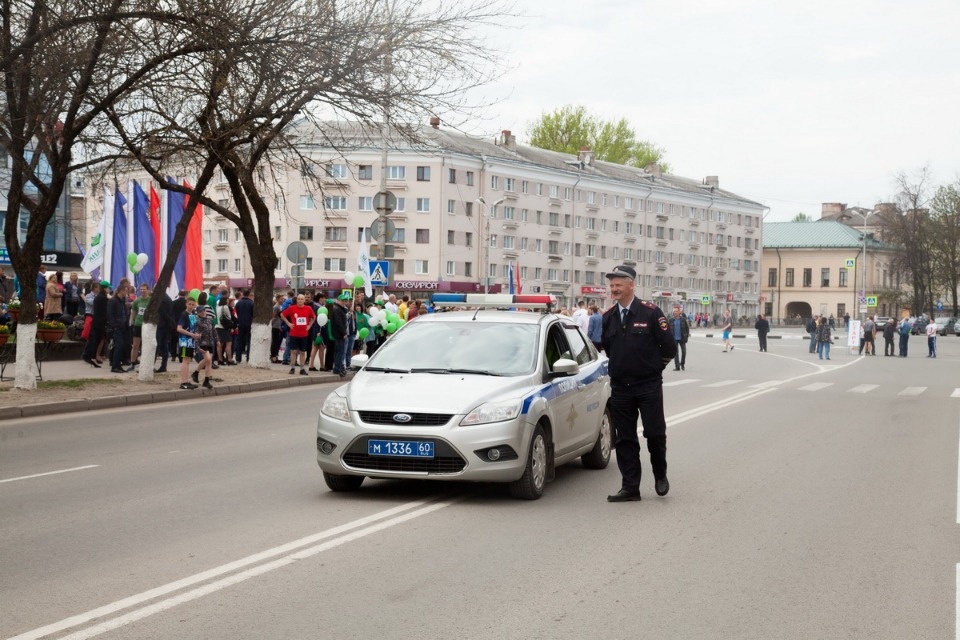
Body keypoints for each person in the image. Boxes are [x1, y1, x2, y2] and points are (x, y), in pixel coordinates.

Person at [600, 264, 676, 503]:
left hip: (648, 386)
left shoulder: (651, 313)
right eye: (611, 285)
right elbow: (610, 350)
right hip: (621, 388)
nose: (614, 289)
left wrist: (652, 369)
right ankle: (630, 487)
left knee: (654, 434)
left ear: (631, 284)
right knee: (625, 438)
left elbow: (669, 349)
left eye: (618, 285)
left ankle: (660, 475)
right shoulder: (608, 317)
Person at [281, 293, 316, 375]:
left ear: (304, 300)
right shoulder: (292, 308)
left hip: (304, 334)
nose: (300, 300)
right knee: (293, 351)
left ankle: (302, 369)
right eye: (299, 299)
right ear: (297, 300)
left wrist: (309, 326)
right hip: (294, 333)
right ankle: (292, 368)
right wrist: (288, 323)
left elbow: (313, 317)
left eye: (302, 299)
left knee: (303, 352)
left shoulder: (308, 308)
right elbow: (282, 315)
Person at [176, 297, 201, 389]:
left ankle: (186, 380)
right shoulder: (184, 314)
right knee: (185, 360)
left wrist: (196, 334)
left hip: (191, 341)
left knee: (188, 361)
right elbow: (179, 328)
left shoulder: (193, 315)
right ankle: (183, 382)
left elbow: (194, 327)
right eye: (189, 304)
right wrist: (191, 334)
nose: (190, 306)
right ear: (186, 304)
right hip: (184, 341)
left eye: (192, 304)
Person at [107, 282, 130, 373]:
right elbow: (110, 314)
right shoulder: (113, 301)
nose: (126, 293)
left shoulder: (122, 301)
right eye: (125, 291)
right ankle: (115, 366)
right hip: (117, 327)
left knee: (122, 346)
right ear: (121, 291)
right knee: (118, 345)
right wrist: (115, 325)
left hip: (123, 326)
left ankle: (118, 364)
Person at [128, 283, 150, 367]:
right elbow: (133, 312)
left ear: (148, 290)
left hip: (147, 325)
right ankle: (132, 362)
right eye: (141, 289)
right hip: (138, 324)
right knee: (135, 345)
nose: (142, 291)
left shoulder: (150, 300)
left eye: (144, 289)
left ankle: (145, 363)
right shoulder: (137, 301)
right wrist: (134, 321)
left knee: (146, 345)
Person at [153, 290, 175, 373]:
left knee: (157, 346)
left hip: (161, 325)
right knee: (164, 346)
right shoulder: (168, 299)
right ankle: (163, 365)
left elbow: (163, 313)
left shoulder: (162, 300)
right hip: (167, 325)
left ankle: (151, 365)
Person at [330, 292, 350, 377]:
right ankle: (337, 368)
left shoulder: (339, 309)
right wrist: (344, 333)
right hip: (339, 334)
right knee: (340, 352)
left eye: (345, 301)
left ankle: (338, 368)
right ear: (338, 301)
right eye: (343, 301)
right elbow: (339, 323)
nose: (344, 302)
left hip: (339, 333)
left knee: (339, 352)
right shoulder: (337, 309)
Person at [234, 289, 254, 363]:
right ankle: (248, 358)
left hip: (240, 324)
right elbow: (253, 314)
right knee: (249, 341)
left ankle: (238, 358)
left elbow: (235, 314)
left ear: (243, 294)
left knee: (239, 340)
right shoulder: (251, 303)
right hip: (249, 324)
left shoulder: (238, 303)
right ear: (249, 294)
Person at [670, 304, 689, 371]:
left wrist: (686, 337)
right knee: (676, 353)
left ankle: (682, 364)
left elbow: (687, 329)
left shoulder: (683, 319)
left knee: (684, 352)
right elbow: (668, 330)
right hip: (674, 339)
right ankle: (677, 366)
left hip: (682, 338)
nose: (674, 312)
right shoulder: (671, 320)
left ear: (679, 312)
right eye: (674, 311)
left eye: (676, 311)